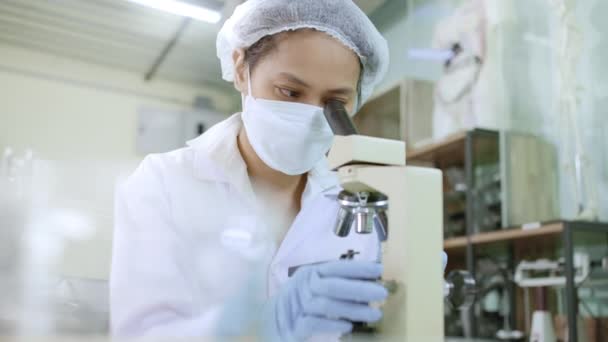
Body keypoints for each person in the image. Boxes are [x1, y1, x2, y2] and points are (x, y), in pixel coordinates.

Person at [111, 0, 445, 340]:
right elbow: (139, 334)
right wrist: (261, 326)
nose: (311, 114)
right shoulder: (164, 183)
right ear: (241, 69)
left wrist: (415, 287)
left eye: (335, 103)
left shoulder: (364, 204)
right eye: (290, 92)